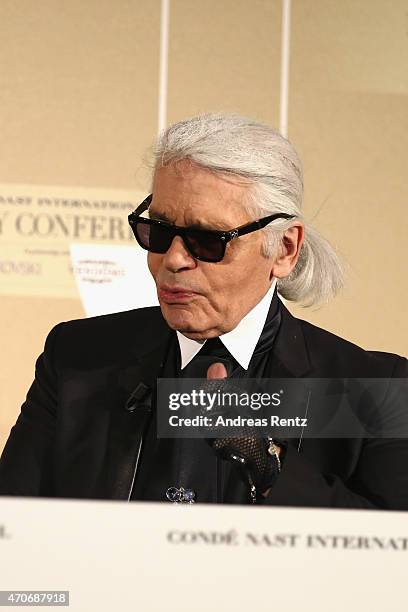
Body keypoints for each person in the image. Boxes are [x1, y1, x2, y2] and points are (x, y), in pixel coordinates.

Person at [0, 113, 407, 508]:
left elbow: (390, 557)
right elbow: (14, 537)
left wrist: (270, 468)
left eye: (207, 240)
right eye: (159, 232)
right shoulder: (77, 358)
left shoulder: (376, 392)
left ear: (284, 249)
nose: (173, 259)